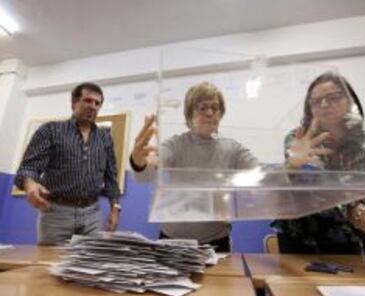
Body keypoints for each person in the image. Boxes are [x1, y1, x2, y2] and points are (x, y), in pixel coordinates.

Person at [271, 71, 365, 278]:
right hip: (302, 240)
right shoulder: (298, 138)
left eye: (334, 97)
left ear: (351, 102)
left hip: (350, 238)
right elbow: (317, 182)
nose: (325, 104)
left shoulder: (364, 142)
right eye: (316, 101)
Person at [130, 81, 258, 252]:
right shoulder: (175, 145)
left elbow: (262, 175)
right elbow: (144, 176)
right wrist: (139, 161)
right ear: (189, 115)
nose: (210, 112)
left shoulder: (233, 148)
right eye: (202, 108)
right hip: (173, 242)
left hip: (216, 243)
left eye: (215, 107)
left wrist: (291, 163)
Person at [14, 82, 121, 245]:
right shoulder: (51, 130)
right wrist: (30, 185)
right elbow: (28, 167)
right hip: (56, 214)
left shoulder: (105, 138)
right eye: (87, 100)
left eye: (97, 103)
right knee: (50, 266)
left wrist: (115, 208)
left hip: (92, 214)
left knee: (90, 266)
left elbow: (111, 176)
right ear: (74, 103)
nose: (93, 106)